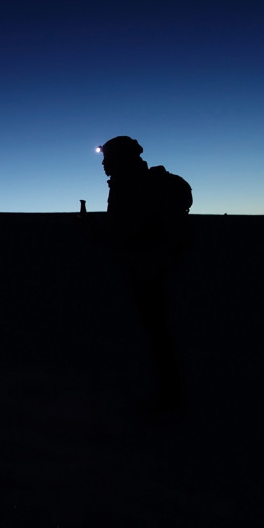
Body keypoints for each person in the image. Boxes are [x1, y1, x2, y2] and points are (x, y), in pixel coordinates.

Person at [97, 136, 191, 415]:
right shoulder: (139, 183)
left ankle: (168, 401)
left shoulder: (131, 186)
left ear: (120, 158)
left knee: (156, 335)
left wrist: (92, 233)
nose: (103, 163)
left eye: (108, 157)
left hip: (147, 269)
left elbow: (124, 233)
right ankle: (167, 395)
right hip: (153, 266)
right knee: (156, 333)